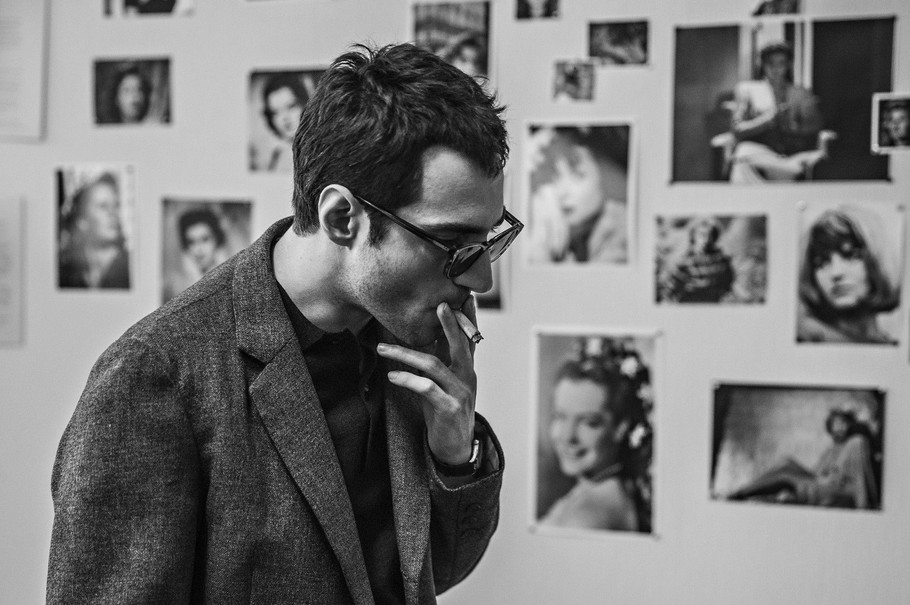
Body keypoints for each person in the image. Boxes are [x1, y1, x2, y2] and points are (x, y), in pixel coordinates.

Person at [48, 43, 522, 603]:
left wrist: (455, 456)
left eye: (489, 240)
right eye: (452, 242)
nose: (481, 280)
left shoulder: (408, 337)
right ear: (342, 218)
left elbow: (433, 573)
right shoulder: (153, 376)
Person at [540, 340, 652, 532]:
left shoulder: (588, 515)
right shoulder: (602, 491)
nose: (568, 436)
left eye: (589, 422)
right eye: (560, 417)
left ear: (620, 427)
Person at [727, 409, 880, 509]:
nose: (842, 427)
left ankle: (741, 494)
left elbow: (860, 477)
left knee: (785, 478)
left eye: (844, 423)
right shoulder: (830, 450)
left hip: (830, 487)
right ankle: (743, 489)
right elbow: (816, 473)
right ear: (830, 427)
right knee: (786, 461)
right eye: (837, 423)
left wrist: (863, 505)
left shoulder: (854, 443)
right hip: (818, 480)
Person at [796, 207, 900, 344]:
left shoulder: (892, 345)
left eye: (851, 255)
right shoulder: (805, 340)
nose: (836, 273)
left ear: (876, 262)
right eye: (821, 263)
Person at [527, 126, 628, 263]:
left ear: (603, 174)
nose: (562, 192)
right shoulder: (566, 233)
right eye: (555, 177)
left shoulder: (622, 229)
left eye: (578, 175)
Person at [729, 41, 826, 183]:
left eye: (781, 63)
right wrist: (768, 120)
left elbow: (815, 127)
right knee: (743, 156)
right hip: (759, 152)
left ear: (788, 65)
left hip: (792, 156)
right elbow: (737, 129)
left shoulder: (801, 93)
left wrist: (795, 126)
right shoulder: (747, 89)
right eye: (771, 63)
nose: (776, 68)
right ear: (763, 64)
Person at [58, 172, 130, 289]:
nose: (113, 213)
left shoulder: (130, 269)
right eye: (103, 206)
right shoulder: (66, 274)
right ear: (81, 220)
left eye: (116, 206)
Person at [660, 217, 735, 303]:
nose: (706, 240)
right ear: (694, 236)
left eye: (710, 235)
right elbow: (672, 290)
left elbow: (727, 282)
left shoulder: (722, 259)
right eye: (702, 235)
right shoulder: (685, 262)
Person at [163, 207, 230, 302]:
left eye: (205, 239)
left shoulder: (229, 276)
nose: (199, 249)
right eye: (192, 242)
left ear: (217, 240)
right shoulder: (177, 284)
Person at [253, 72, 309, 171]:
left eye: (291, 106)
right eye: (275, 112)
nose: (285, 118)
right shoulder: (275, 159)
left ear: (304, 103)